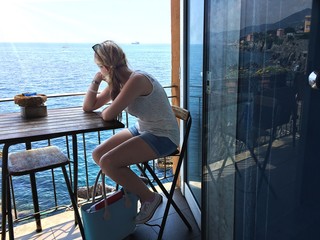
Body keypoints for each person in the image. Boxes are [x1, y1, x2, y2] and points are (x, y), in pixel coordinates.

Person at [82, 40, 180, 224]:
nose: (99, 71)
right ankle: (135, 182)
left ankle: (149, 198)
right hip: (144, 128)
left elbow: (107, 115)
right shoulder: (118, 82)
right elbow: (89, 107)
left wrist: (105, 85)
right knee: (98, 154)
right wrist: (96, 79)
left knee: (108, 162)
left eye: (99, 67)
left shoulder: (137, 80)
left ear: (107, 66)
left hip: (163, 136)